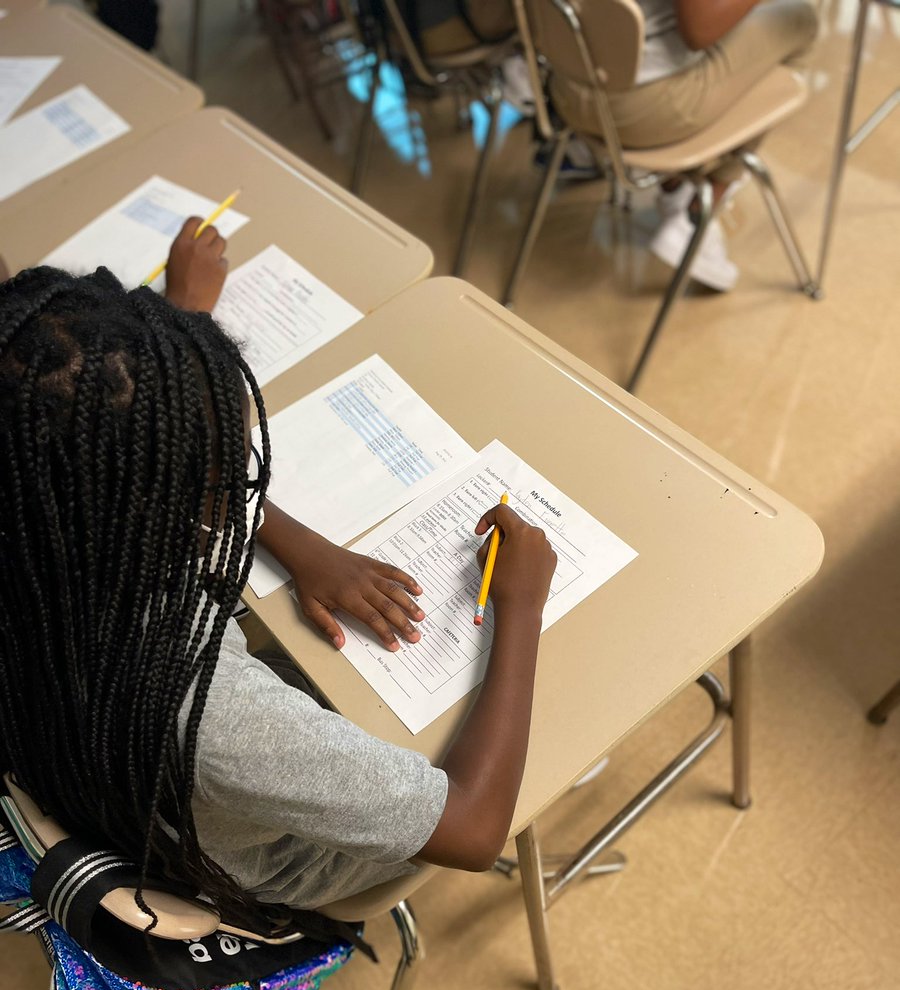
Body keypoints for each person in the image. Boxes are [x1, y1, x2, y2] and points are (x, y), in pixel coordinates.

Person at [0, 221, 556, 934]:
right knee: (541, 720)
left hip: (111, 769)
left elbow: (115, 461)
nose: (240, 482)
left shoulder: (44, 531)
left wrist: (180, 320)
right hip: (281, 860)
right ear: (167, 503)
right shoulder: (212, 710)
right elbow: (475, 829)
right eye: (226, 469)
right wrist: (520, 605)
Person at [546, 0, 819, 290]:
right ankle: (699, 212)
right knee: (799, 19)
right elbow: (700, 30)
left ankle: (676, 185)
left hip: (565, 85)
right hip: (637, 111)